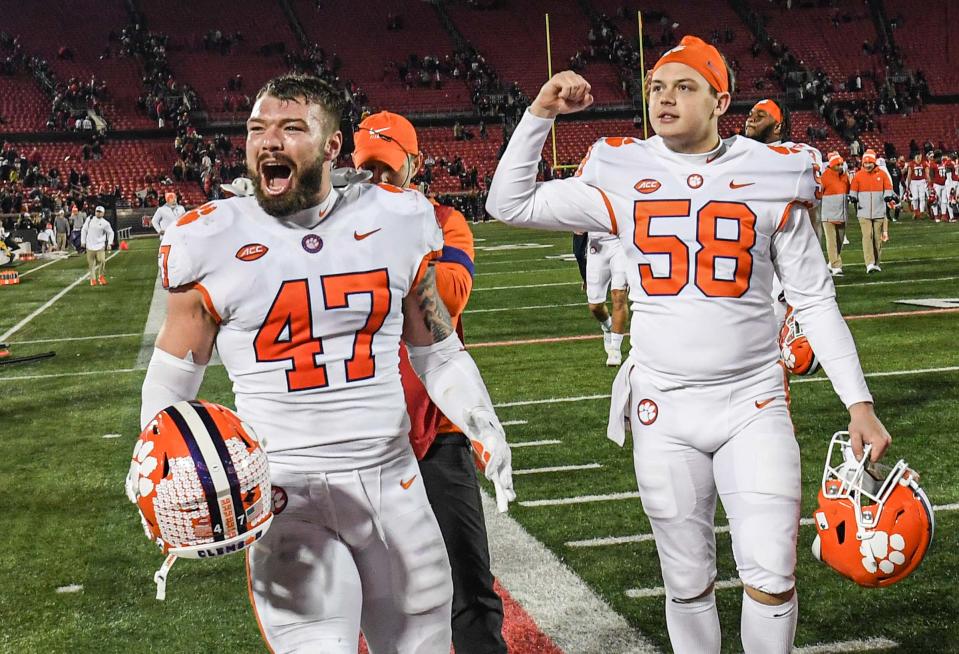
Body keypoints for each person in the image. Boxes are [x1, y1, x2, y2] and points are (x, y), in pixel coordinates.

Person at [486, 36, 892, 653]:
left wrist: (858, 403)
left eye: (684, 87)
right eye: (655, 87)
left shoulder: (771, 171)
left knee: (772, 576)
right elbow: (507, 202)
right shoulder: (622, 167)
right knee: (686, 581)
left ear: (720, 99)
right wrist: (539, 114)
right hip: (663, 406)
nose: (665, 98)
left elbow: (813, 299)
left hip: (753, 402)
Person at [135, 74, 514, 654]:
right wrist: (168, 476)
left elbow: (435, 349)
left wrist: (481, 419)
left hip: (395, 485)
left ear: (333, 147)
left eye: (291, 128)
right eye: (257, 129)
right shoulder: (210, 237)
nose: (269, 142)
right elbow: (170, 384)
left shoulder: (398, 219)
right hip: (286, 494)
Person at [352, 110, 507, 654]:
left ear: (415, 166)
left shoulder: (443, 221)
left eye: (389, 169)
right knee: (367, 595)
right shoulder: (330, 230)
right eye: (367, 168)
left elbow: (449, 293)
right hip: (361, 436)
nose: (378, 180)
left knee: (469, 584)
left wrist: (380, 244)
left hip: (437, 431)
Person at [585, 231, 628, 366]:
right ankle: (608, 325)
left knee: (619, 295)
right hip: (596, 243)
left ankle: (615, 348)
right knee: (595, 306)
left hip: (620, 241)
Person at [850, 149, 893, 273]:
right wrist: (853, 196)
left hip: (879, 211)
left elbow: (888, 187)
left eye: (870, 162)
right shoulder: (858, 175)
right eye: (865, 163)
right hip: (864, 212)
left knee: (877, 238)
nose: (867, 165)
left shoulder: (882, 174)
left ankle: (876, 262)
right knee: (867, 236)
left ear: (874, 162)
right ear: (862, 163)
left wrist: (888, 195)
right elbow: (853, 188)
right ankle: (869, 263)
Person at [820, 153, 851, 276]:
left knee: (840, 240)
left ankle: (831, 262)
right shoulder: (824, 177)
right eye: (837, 164)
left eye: (841, 164)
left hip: (842, 213)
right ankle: (836, 265)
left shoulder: (844, 176)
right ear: (831, 165)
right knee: (831, 240)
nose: (840, 166)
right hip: (828, 214)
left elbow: (848, 190)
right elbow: (818, 194)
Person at [80, 205, 113, 285]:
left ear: (103, 213)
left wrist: (109, 243)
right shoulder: (89, 219)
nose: (98, 213)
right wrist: (83, 241)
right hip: (89, 245)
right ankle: (93, 279)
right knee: (91, 264)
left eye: (100, 212)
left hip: (100, 246)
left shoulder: (105, 223)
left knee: (102, 260)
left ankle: (101, 277)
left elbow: (111, 233)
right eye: (97, 211)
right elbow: (84, 230)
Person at [904, 151, 929, 219]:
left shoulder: (924, 163)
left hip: (922, 181)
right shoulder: (911, 164)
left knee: (922, 197)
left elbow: (927, 174)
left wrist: (929, 182)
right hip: (914, 182)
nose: (919, 158)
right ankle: (915, 212)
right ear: (914, 157)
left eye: (920, 156)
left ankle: (921, 212)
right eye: (917, 156)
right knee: (915, 198)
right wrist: (908, 185)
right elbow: (909, 175)